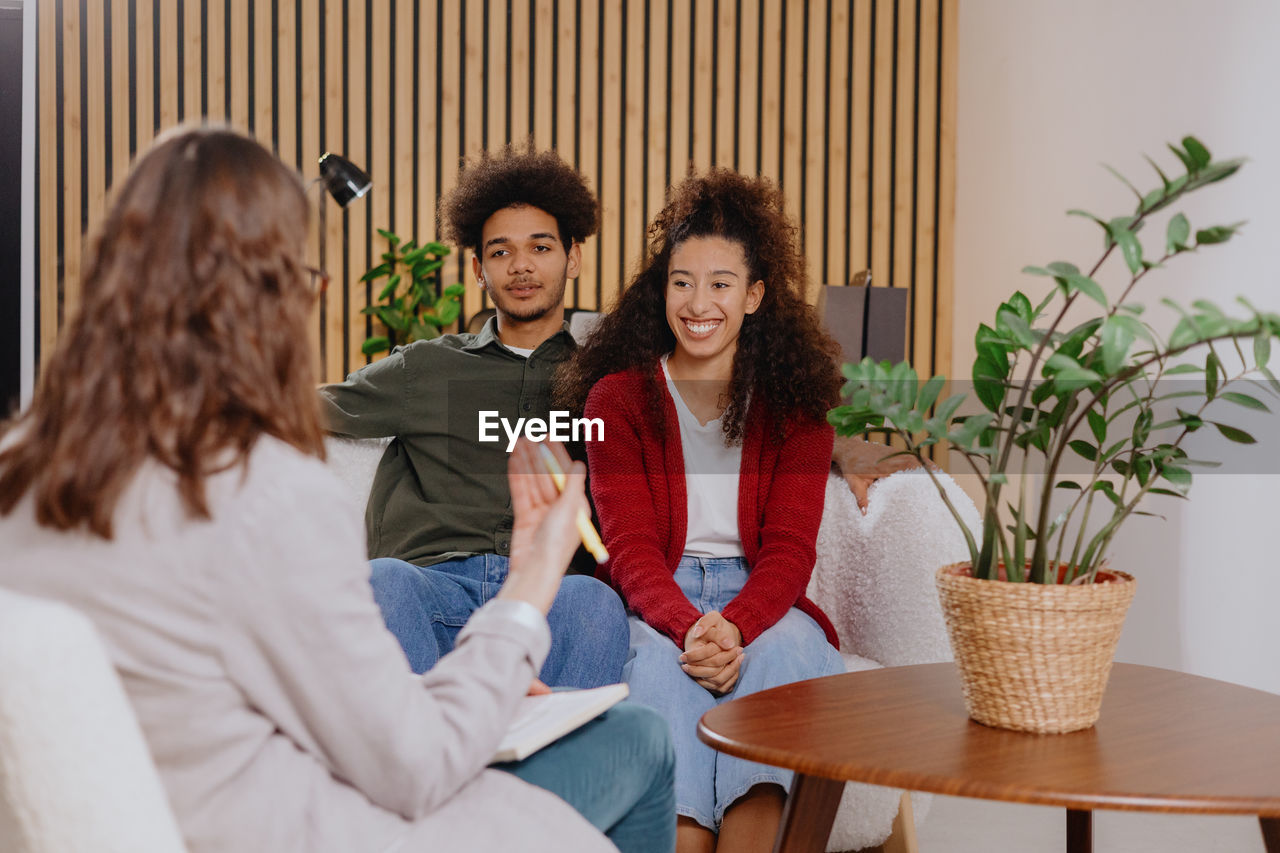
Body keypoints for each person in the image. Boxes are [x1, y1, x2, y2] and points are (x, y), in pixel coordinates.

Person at [0, 127, 675, 853]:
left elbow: (255, 676)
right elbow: (412, 768)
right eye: (304, 281)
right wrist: (532, 573)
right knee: (640, 740)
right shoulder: (274, 491)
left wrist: (466, 680)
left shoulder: (22, 474)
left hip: (205, 803)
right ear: (270, 295)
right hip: (329, 824)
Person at [556, 169, 848, 853]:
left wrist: (737, 626)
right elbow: (627, 549)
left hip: (763, 593)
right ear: (663, 292)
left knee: (793, 652)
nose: (698, 302)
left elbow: (790, 550)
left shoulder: (798, 406)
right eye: (682, 281)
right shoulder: (618, 401)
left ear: (753, 295)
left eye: (721, 284)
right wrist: (693, 629)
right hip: (657, 593)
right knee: (657, 667)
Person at [321, 145, 628, 688]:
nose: (522, 266)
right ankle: (425, 763)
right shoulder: (428, 367)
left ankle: (549, 767)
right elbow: (303, 405)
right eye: (501, 252)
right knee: (381, 581)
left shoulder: (604, 383)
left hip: (551, 594)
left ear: (572, 258)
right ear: (478, 269)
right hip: (432, 585)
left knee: (596, 603)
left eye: (540, 247)